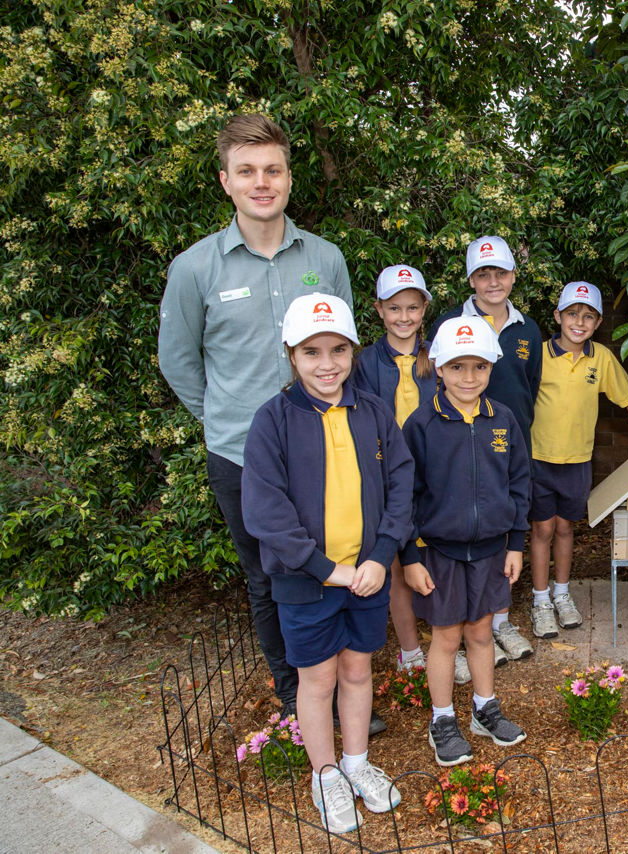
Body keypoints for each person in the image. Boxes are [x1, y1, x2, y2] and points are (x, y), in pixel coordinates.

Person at [158, 114, 379, 729]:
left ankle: (344, 683)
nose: (262, 183)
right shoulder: (196, 269)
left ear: (288, 177)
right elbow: (178, 361)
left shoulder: (325, 258)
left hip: (328, 443)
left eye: (273, 170)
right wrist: (233, 424)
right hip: (240, 455)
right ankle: (295, 692)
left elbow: (344, 348)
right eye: (248, 171)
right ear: (225, 180)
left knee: (338, 559)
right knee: (269, 576)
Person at [241, 294, 413, 833]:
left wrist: (382, 556)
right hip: (308, 582)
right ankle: (324, 774)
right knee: (316, 679)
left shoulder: (374, 412)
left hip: (367, 576)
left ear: (354, 351)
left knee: (359, 669)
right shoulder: (273, 421)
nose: (327, 363)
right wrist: (322, 566)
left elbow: (401, 486)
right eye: (311, 351)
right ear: (291, 354)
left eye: (339, 349)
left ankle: (357, 762)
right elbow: (265, 511)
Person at [400, 318, 531, 767]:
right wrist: (411, 556)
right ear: (438, 367)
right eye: (457, 367)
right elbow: (405, 495)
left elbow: (519, 484)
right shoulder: (421, 425)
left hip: (492, 549)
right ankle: (442, 719)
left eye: (478, 366)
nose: (468, 378)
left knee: (480, 632)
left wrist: (515, 543)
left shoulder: (504, 420)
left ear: (492, 367)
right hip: (440, 551)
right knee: (445, 636)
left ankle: (483, 708)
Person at [527, 282, 628, 639]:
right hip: (538, 459)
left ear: (598, 321)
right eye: (572, 313)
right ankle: (540, 601)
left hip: (577, 461)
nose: (579, 321)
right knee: (542, 529)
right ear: (557, 316)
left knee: (565, 527)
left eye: (588, 316)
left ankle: (562, 593)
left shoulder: (600, 357)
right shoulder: (537, 354)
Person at [427, 236, 541, 674]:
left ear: (513, 275)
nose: (492, 281)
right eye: (483, 273)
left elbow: (528, 386)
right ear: (471, 278)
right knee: (466, 529)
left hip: (506, 443)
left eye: (501, 272)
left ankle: (500, 622)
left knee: (503, 525)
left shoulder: (527, 328)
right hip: (459, 447)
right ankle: (457, 633)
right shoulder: (449, 322)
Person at [352, 265, 435, 674]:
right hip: (388, 477)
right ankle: (410, 651)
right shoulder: (365, 362)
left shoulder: (439, 355)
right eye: (394, 308)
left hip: (435, 474)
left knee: (436, 558)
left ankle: (445, 640)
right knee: (399, 562)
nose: (404, 317)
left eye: (412, 307)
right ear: (379, 310)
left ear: (424, 309)